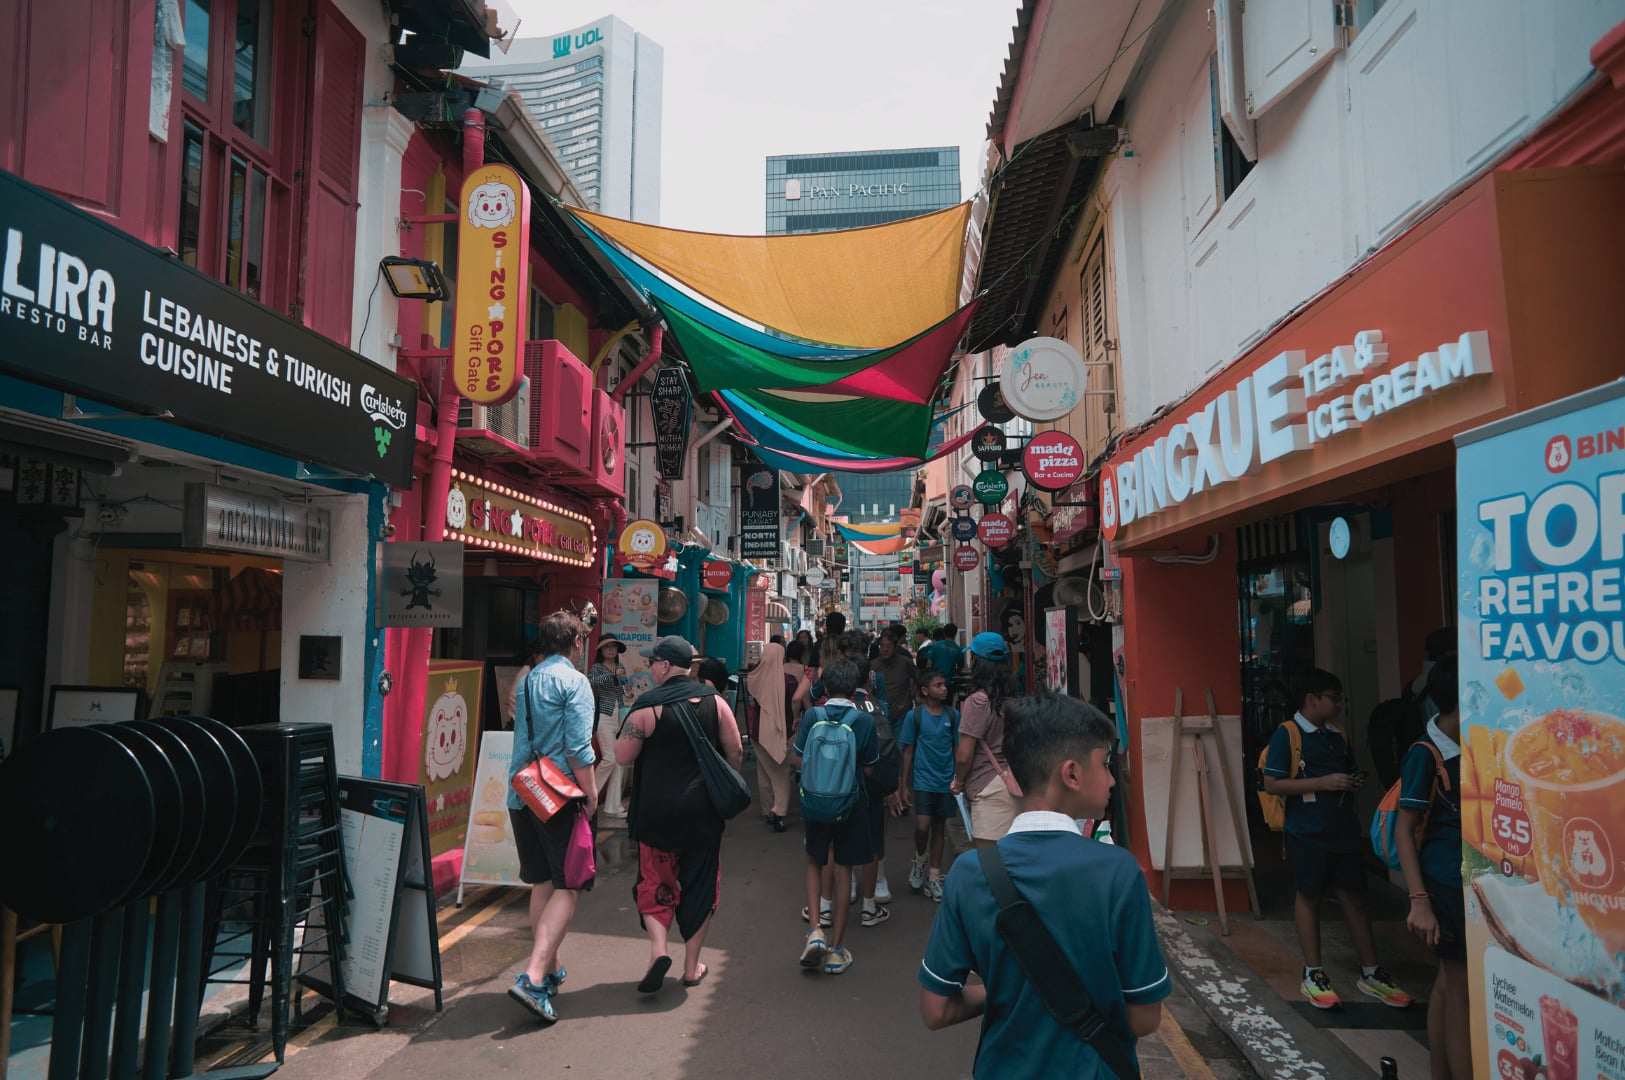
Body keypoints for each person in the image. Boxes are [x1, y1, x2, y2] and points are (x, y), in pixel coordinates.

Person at [919, 690, 1171, 1077]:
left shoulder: (970, 874)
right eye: (1104, 764)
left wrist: (1006, 990)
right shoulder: (1117, 872)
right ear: (1071, 774)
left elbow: (936, 1010)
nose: (1110, 780)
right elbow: (1143, 1017)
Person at [1263, 667, 1412, 1010]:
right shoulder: (1287, 735)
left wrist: (1348, 782)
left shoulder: (1338, 733)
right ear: (1312, 699)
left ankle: (1372, 972)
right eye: (1334, 697)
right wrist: (1324, 783)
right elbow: (1273, 784)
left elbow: (1344, 771)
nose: (1340, 704)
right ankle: (1313, 973)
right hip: (1306, 831)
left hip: (1342, 829)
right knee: (1309, 896)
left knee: (1355, 898)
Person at [616, 636, 744, 994]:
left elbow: (622, 755)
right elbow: (735, 750)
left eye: (653, 662)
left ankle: (658, 950)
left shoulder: (646, 707)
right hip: (702, 813)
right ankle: (691, 967)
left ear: (667, 666)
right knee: (701, 887)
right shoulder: (715, 702)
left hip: (656, 814)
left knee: (654, 881)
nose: (649, 668)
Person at [506, 613, 597, 1024]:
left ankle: (552, 966)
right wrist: (592, 794)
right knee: (570, 885)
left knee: (542, 881)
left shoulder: (527, 678)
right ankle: (533, 977)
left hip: (522, 791)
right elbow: (579, 749)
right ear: (577, 642)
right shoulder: (575, 682)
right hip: (557, 797)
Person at [1396, 656, 1468, 1079]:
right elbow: (1406, 830)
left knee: (1447, 982)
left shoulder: (1472, 743)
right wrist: (1419, 900)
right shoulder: (1425, 754)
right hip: (1445, 882)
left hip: (1460, 880)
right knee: (1462, 994)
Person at [791, 659, 878, 975]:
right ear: (855, 687)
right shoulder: (863, 721)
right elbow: (869, 768)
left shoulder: (813, 715)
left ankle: (815, 930)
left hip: (815, 804)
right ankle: (837, 950)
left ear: (825, 688)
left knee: (815, 861)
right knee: (844, 870)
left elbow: (797, 760)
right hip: (852, 806)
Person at [953, 633, 1020, 847]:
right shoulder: (1011, 699)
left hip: (988, 786)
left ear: (977, 662)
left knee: (991, 865)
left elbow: (964, 756)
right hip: (1013, 782)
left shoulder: (978, 702)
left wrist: (958, 781)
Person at [900, 668, 959, 901]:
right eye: (938, 685)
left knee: (940, 828)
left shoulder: (953, 716)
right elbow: (908, 751)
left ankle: (934, 877)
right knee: (922, 827)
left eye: (944, 684)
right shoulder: (914, 716)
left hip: (945, 782)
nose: (944, 688)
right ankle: (920, 858)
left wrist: (958, 779)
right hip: (923, 781)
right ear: (925, 691)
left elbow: (956, 750)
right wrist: (903, 785)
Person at [746, 642, 797, 832]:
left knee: (764, 772)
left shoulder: (755, 678)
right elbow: (795, 705)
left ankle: (767, 810)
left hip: (759, 733)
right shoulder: (789, 681)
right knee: (781, 773)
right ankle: (779, 813)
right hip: (785, 732)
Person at [588, 634, 628, 817]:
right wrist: (613, 675)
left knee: (618, 762)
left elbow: (624, 689)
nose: (611, 649)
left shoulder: (621, 667)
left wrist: (625, 685)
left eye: (614, 646)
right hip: (603, 716)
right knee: (610, 758)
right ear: (601, 651)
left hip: (619, 715)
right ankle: (588, 796)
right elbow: (593, 681)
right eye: (607, 647)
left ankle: (613, 806)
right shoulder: (597, 668)